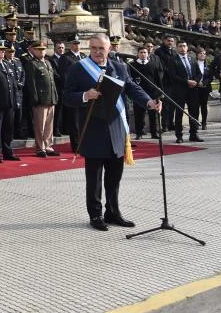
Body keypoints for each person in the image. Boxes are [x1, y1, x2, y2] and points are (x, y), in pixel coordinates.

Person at [63, 33, 160, 231]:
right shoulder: (78, 69)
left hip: (117, 128)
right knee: (95, 177)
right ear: (89, 48)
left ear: (109, 49)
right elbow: (66, 97)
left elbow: (132, 88)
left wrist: (149, 102)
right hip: (93, 128)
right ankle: (96, 215)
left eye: (102, 48)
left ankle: (113, 212)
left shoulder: (120, 67)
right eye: (94, 48)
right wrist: (84, 95)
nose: (98, 52)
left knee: (115, 175)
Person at [23, 40, 59, 158]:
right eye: (39, 49)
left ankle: (48, 145)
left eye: (43, 49)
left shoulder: (48, 62)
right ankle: (40, 148)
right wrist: (35, 98)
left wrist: (55, 95)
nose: (41, 51)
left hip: (50, 97)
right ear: (33, 50)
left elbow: (52, 81)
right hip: (40, 99)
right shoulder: (31, 64)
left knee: (49, 124)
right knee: (40, 125)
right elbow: (31, 84)